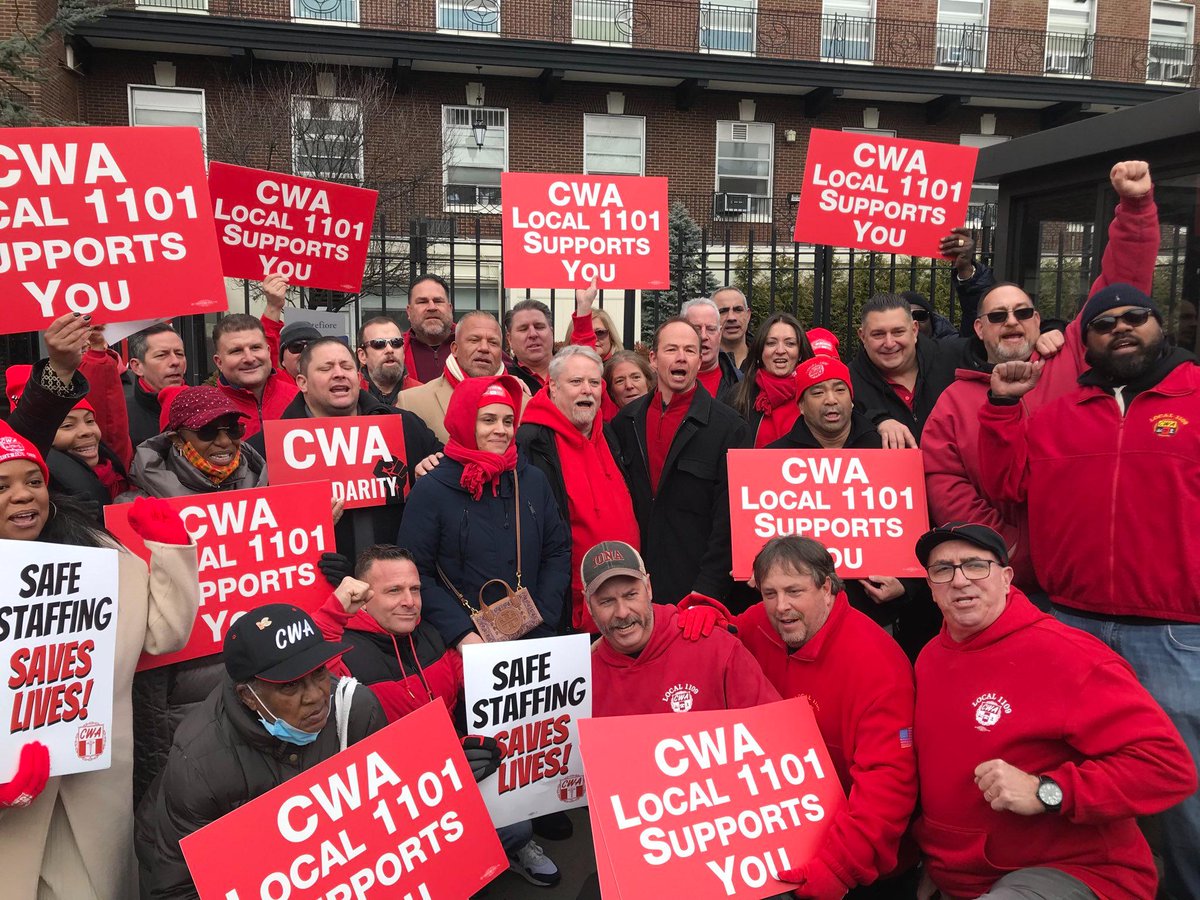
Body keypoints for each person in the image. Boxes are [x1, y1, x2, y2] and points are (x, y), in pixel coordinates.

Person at [978, 282, 1200, 899]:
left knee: (1185, 796)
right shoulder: (1055, 415)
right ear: (1086, 340)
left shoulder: (1196, 397)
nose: (1122, 329)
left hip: (1177, 635)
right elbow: (1006, 486)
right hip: (1072, 625)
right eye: (1105, 323)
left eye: (1136, 318)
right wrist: (1001, 405)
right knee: (1076, 780)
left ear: (1162, 324)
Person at [911, 522, 1196, 900]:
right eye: (942, 570)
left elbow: (1167, 767)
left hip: (1071, 870)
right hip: (962, 875)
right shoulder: (929, 658)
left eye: (976, 565)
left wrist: (1047, 790)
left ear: (1006, 577)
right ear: (930, 587)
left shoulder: (1069, 656)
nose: (960, 580)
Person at [0, 415, 199, 898]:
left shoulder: (95, 556)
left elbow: (163, 635)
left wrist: (172, 552)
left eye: (33, 481)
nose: (24, 495)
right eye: (1, 485)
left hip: (92, 791)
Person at [677, 537, 918, 899]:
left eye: (794, 591)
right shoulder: (758, 624)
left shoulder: (878, 664)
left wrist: (841, 868)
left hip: (853, 859)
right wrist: (703, 622)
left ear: (827, 588)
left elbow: (887, 784)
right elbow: (721, 639)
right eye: (770, 593)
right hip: (773, 836)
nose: (781, 607)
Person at [311, 544, 563, 887]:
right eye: (393, 591)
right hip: (392, 803)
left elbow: (490, 683)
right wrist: (333, 613)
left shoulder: (433, 634)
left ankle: (491, 857)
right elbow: (315, 669)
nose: (410, 601)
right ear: (363, 596)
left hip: (451, 774)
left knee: (517, 827)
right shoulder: (344, 652)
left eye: (415, 589)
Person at [136, 603, 386, 898]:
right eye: (290, 685)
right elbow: (177, 890)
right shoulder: (199, 762)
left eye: (318, 672)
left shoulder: (356, 710)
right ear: (249, 697)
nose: (316, 696)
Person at [768, 355, 936, 657]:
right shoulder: (773, 459)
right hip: (798, 622)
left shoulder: (889, 450)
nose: (831, 400)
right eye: (817, 393)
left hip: (875, 615)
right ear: (801, 405)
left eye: (839, 390)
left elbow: (920, 526)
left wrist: (908, 585)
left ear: (852, 397)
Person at [397, 374, 570, 649]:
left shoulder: (532, 480)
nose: (501, 430)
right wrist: (461, 634)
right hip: (464, 646)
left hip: (535, 636)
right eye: (488, 420)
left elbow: (557, 551)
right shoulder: (432, 489)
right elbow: (416, 573)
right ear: (466, 422)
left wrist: (544, 617)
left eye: (508, 421)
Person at [248, 337, 440, 561]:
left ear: (358, 377)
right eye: (326, 368)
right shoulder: (265, 449)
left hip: (400, 583)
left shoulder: (404, 426)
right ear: (302, 383)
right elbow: (255, 536)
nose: (339, 373)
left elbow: (449, 474)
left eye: (346, 366)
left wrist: (430, 474)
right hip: (320, 583)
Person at [609, 317, 748, 606]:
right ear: (653, 358)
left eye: (690, 350)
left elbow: (731, 518)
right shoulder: (626, 421)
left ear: (700, 360)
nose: (681, 357)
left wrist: (708, 588)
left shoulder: (729, 427)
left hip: (695, 587)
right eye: (671, 349)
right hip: (635, 584)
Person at [517, 346, 639, 633]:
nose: (587, 390)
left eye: (594, 383)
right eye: (576, 382)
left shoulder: (608, 433)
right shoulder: (530, 441)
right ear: (553, 388)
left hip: (624, 596)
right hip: (565, 608)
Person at [584, 540, 779, 716]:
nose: (622, 612)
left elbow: (770, 725)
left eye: (631, 595)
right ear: (589, 607)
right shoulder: (578, 683)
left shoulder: (715, 646)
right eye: (607, 601)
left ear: (649, 588)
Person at [6, 364, 130, 513]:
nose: (86, 432)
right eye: (68, 425)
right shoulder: (46, 503)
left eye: (90, 421)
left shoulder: (116, 471)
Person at [397, 311, 530, 443]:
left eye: (493, 342)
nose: (484, 348)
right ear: (455, 349)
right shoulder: (411, 402)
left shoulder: (527, 404)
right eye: (474, 340)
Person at [125, 385, 267, 501]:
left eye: (233, 429)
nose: (224, 441)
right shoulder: (135, 509)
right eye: (207, 431)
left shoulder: (267, 487)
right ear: (178, 440)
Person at [727, 312, 813, 446]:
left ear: (800, 352)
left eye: (790, 344)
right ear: (760, 350)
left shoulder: (814, 395)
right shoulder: (738, 395)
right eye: (771, 343)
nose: (780, 350)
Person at [211, 312, 299, 438]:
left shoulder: (300, 398)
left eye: (255, 347)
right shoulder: (209, 410)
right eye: (236, 351)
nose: (249, 358)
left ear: (268, 352)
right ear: (219, 362)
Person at [125, 323, 187, 449]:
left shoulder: (206, 406)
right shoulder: (124, 417)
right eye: (162, 355)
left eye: (179, 354)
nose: (175, 362)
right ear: (137, 366)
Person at [681, 297, 743, 400]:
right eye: (696, 329)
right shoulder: (662, 383)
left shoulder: (741, 386)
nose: (703, 336)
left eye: (711, 329)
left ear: (720, 334)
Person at [402, 273, 456, 384]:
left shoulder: (475, 344)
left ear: (450, 308)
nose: (432, 307)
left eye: (438, 301)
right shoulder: (395, 350)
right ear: (409, 311)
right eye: (422, 302)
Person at [357, 315, 415, 404]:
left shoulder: (422, 394)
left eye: (396, 342)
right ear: (362, 355)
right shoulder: (350, 394)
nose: (390, 350)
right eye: (379, 343)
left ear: (403, 351)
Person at [505, 299, 555, 394]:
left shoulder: (572, 369)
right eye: (523, 329)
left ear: (551, 332)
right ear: (509, 339)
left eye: (539, 327)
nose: (533, 334)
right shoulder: (505, 380)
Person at [714, 285, 752, 370]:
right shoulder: (700, 363)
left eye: (738, 310)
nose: (731, 318)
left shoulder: (764, 359)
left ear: (748, 315)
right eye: (723, 311)